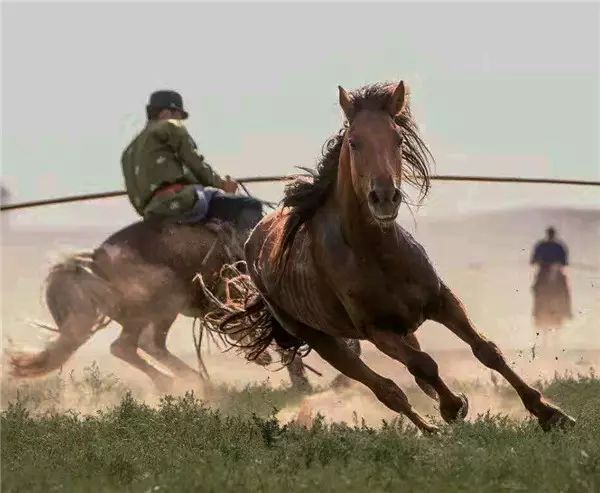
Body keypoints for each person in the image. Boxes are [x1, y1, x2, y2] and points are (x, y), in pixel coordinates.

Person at [121, 90, 262, 231]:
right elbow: (196, 164)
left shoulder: (128, 152)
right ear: (165, 113)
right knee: (250, 206)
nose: (180, 121)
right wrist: (223, 185)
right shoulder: (169, 126)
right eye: (178, 116)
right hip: (181, 202)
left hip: (151, 213)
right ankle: (246, 251)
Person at [530, 226, 572, 333]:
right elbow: (533, 260)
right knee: (537, 290)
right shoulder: (554, 246)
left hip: (554, 271)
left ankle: (565, 311)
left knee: (564, 290)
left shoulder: (552, 246)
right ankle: (537, 314)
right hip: (545, 271)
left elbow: (564, 261)